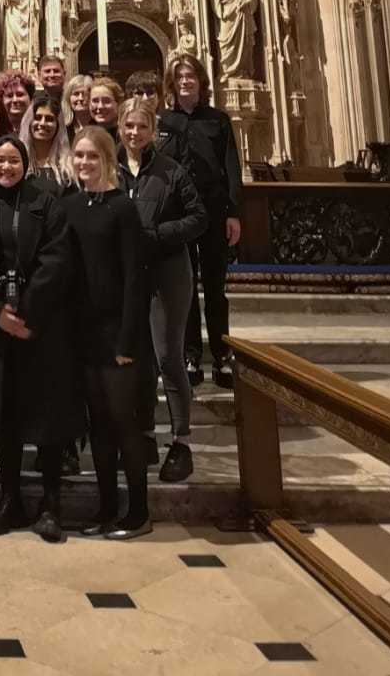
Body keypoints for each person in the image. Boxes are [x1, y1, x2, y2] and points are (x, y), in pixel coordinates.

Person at [0, 138, 82, 539]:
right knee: (4, 418)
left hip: (40, 327)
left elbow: (57, 261)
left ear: (25, 164)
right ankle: (9, 500)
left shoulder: (47, 205)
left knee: (47, 417)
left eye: (13, 160)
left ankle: (51, 504)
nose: (6, 167)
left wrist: (25, 312)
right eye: (0, 160)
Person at [61, 126, 151, 538]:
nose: (84, 162)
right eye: (79, 155)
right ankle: (106, 508)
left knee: (123, 423)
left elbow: (135, 278)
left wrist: (127, 340)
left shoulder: (122, 208)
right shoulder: (70, 206)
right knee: (97, 425)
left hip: (118, 333)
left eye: (92, 156)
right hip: (84, 331)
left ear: (107, 160)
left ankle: (139, 512)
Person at [118, 97, 206, 484]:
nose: (135, 132)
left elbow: (199, 217)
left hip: (168, 271)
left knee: (168, 355)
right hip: (128, 275)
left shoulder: (171, 170)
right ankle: (145, 435)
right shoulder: (111, 169)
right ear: (120, 128)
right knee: (137, 358)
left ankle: (181, 442)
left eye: (142, 126)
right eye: (129, 126)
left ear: (153, 130)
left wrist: (157, 235)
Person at [157, 54, 243, 390]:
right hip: (179, 215)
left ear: (200, 82)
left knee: (215, 288)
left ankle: (222, 355)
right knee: (186, 288)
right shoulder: (164, 121)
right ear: (172, 84)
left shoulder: (218, 120)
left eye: (190, 76)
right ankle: (191, 355)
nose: (185, 82)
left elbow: (231, 168)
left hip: (214, 212)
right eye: (179, 77)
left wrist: (234, 212)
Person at [26, 95, 71, 186]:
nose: (42, 123)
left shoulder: (69, 166)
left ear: (58, 125)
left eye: (49, 119)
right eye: (37, 117)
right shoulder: (19, 161)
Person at [88, 77, 123, 142]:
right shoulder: (86, 135)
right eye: (95, 101)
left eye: (107, 101)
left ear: (118, 103)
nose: (100, 106)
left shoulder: (126, 137)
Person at [63, 74, 93, 138]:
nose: (80, 98)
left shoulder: (100, 125)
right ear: (68, 98)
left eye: (85, 94)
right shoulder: (62, 127)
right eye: (76, 94)